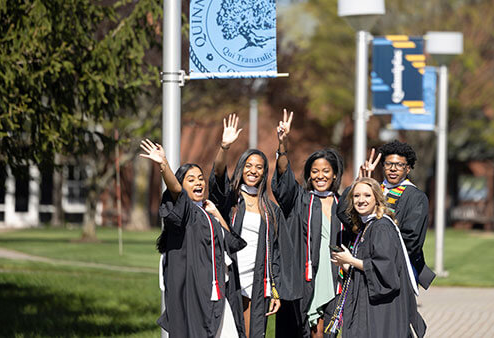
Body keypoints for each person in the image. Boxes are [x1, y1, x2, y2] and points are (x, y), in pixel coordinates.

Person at [140, 139, 247, 338]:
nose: (199, 182)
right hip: (196, 290)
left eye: (200, 178)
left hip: (217, 291)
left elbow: (232, 243)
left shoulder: (207, 212)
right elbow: (176, 191)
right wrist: (164, 165)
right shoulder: (186, 211)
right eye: (191, 179)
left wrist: (216, 214)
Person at [271, 110, 349, 338]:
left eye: (326, 171)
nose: (320, 176)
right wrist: (282, 146)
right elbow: (284, 179)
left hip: (335, 274)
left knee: (329, 330)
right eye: (315, 171)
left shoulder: (341, 203)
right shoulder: (301, 199)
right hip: (308, 274)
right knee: (311, 328)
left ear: (335, 175)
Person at [209, 114, 282, 338]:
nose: (253, 170)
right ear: (241, 168)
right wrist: (224, 147)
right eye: (248, 165)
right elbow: (218, 175)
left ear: (264, 172)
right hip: (232, 276)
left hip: (259, 279)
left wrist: (276, 291)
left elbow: (276, 251)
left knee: (254, 334)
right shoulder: (230, 200)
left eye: (259, 167)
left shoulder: (270, 209)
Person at [329, 177, 426, 337]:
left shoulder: (381, 227)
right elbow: (371, 266)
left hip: (382, 309)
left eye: (367, 195)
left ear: (377, 199)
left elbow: (386, 269)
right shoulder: (368, 226)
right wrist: (347, 265)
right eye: (356, 196)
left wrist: (351, 260)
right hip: (372, 304)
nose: (361, 200)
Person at [337, 141, 436, 290]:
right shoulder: (372, 191)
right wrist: (359, 182)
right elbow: (344, 213)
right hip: (364, 264)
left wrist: (383, 261)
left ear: (408, 168)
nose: (393, 169)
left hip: (395, 268)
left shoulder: (415, 197)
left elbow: (412, 240)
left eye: (399, 165)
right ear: (383, 166)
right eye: (388, 164)